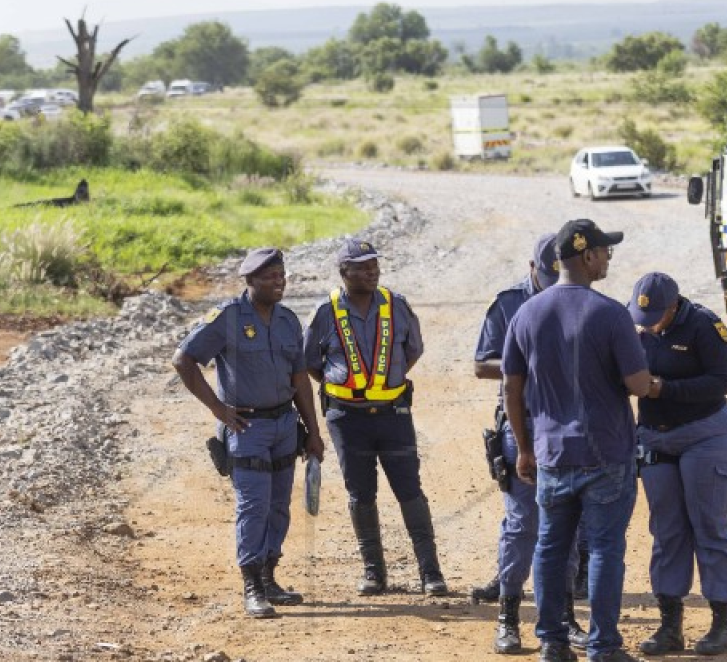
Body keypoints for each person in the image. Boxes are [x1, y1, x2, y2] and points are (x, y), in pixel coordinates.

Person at [503, 219, 652, 662]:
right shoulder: (610, 313)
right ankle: (603, 646)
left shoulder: (527, 313)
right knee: (605, 548)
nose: (608, 257)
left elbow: (511, 386)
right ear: (586, 256)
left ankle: (552, 643)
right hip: (606, 452)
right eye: (605, 251)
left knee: (550, 546)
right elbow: (639, 385)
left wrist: (524, 449)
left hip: (551, 454)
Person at [172, 248, 327, 619]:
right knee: (253, 507)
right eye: (270, 276)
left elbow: (299, 379)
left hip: (285, 425)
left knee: (278, 507)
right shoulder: (227, 318)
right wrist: (218, 409)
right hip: (247, 427)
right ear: (250, 281)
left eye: (282, 275)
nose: (279, 282)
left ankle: (270, 577)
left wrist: (313, 432)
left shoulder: (289, 321)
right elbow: (184, 360)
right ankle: (252, 586)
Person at [303, 239, 449, 596]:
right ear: (344, 273)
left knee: (409, 489)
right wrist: (350, 388)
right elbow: (310, 363)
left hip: (393, 414)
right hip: (346, 419)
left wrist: (385, 382)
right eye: (363, 267)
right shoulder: (325, 312)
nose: (372, 271)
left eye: (374, 265)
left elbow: (413, 350)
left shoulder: (397, 305)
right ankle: (374, 573)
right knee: (361, 493)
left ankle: (430, 572)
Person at [473, 234, 588, 654]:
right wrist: (528, 363)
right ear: (532, 267)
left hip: (568, 426)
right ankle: (508, 614)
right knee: (522, 525)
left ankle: (564, 616)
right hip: (522, 425)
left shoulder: (579, 297)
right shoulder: (508, 304)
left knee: (567, 524)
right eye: (546, 275)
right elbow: (481, 364)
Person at [627, 272, 727, 656]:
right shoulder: (635, 328)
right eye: (644, 317)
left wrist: (666, 389)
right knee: (666, 530)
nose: (649, 324)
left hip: (705, 433)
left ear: (674, 307)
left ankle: (723, 625)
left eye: (657, 316)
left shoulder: (704, 326)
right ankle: (669, 625)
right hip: (656, 438)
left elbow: (724, 381)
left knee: (710, 526)